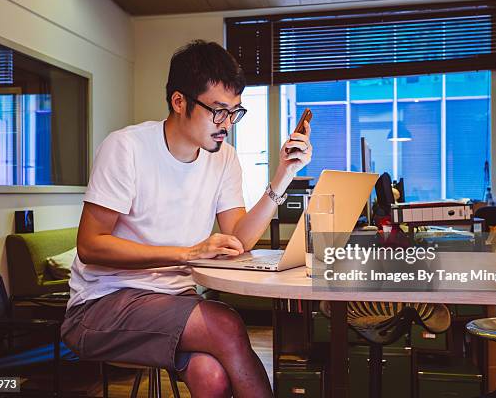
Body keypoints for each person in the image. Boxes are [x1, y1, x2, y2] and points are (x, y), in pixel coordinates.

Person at [61, 40, 312, 398]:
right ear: (179, 101)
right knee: (226, 323)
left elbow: (239, 240)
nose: (227, 124)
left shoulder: (223, 158)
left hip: (173, 301)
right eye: (218, 111)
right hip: (101, 305)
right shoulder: (126, 148)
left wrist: (283, 175)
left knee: (211, 376)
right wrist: (187, 253)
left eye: (235, 112)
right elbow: (89, 246)